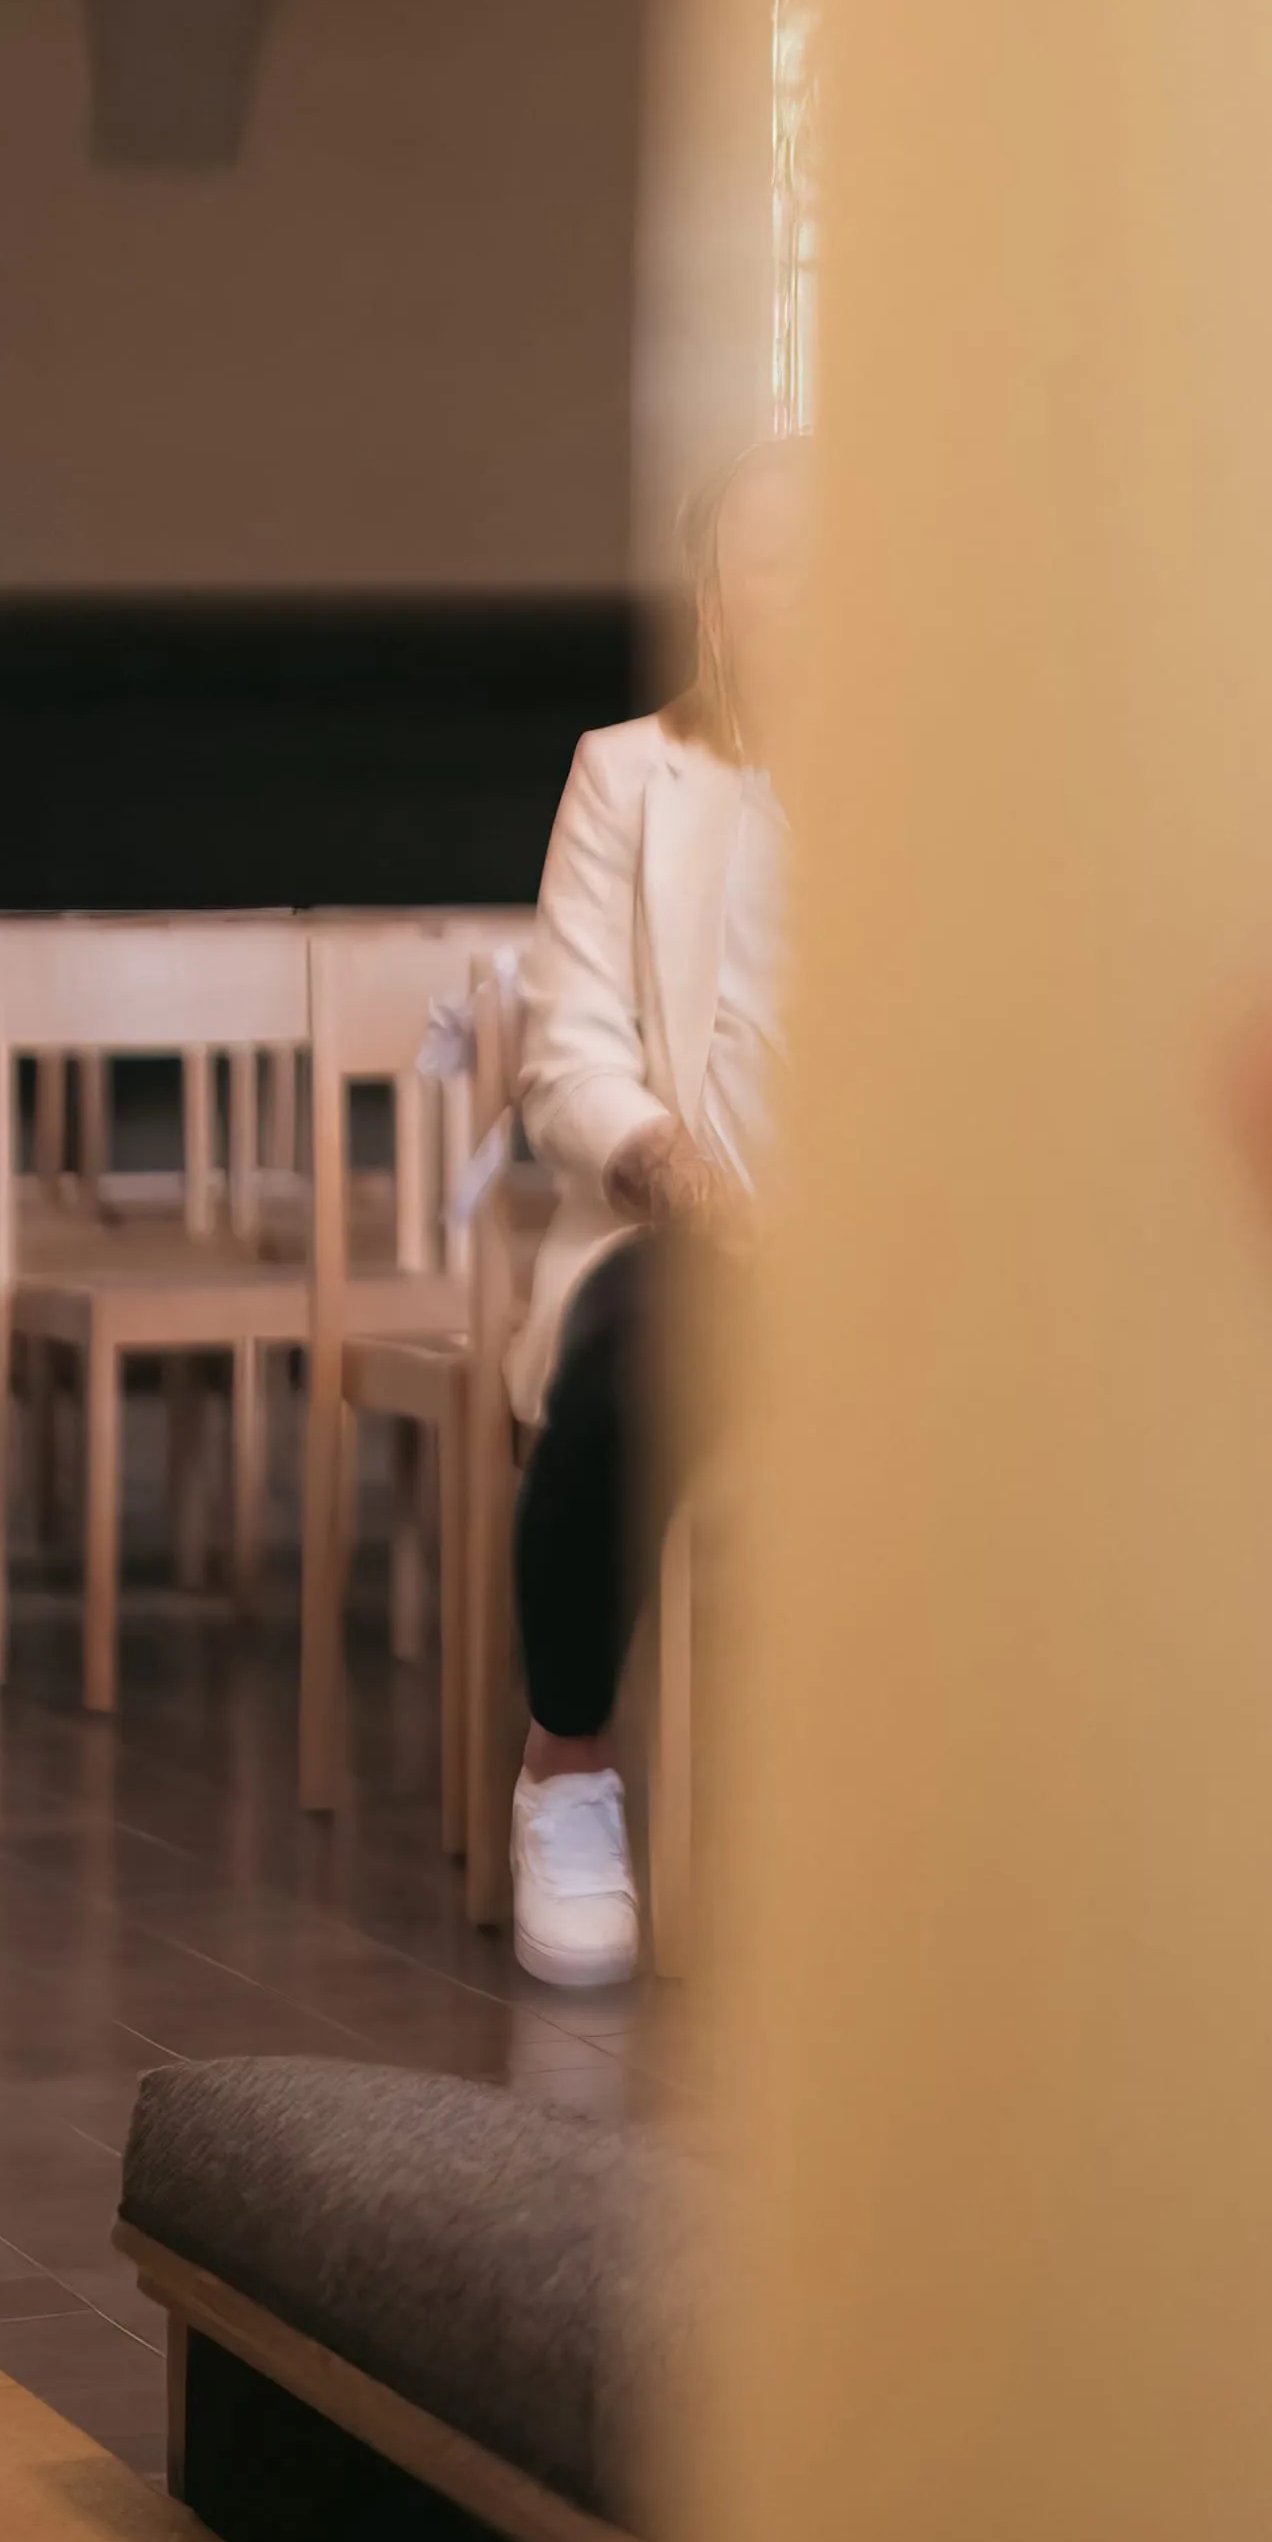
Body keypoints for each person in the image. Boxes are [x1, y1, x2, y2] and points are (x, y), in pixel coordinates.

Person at [494, 438, 802, 1995]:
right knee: (658, 1319)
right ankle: (569, 1765)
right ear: (711, 595)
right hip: (673, 1230)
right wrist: (704, 1193)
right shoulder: (631, 771)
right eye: (772, 560)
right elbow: (566, 1061)